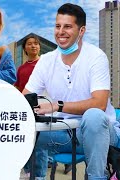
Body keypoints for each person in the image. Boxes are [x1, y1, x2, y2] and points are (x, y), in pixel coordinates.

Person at [22, 3, 120, 179]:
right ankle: (35, 176)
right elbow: (25, 96)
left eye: (67, 26)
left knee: (94, 116)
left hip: (96, 132)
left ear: (81, 31)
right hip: (62, 132)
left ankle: (97, 176)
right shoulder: (46, 61)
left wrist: (57, 106)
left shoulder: (96, 57)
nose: (61, 31)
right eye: (58, 26)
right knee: (27, 130)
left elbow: (99, 103)